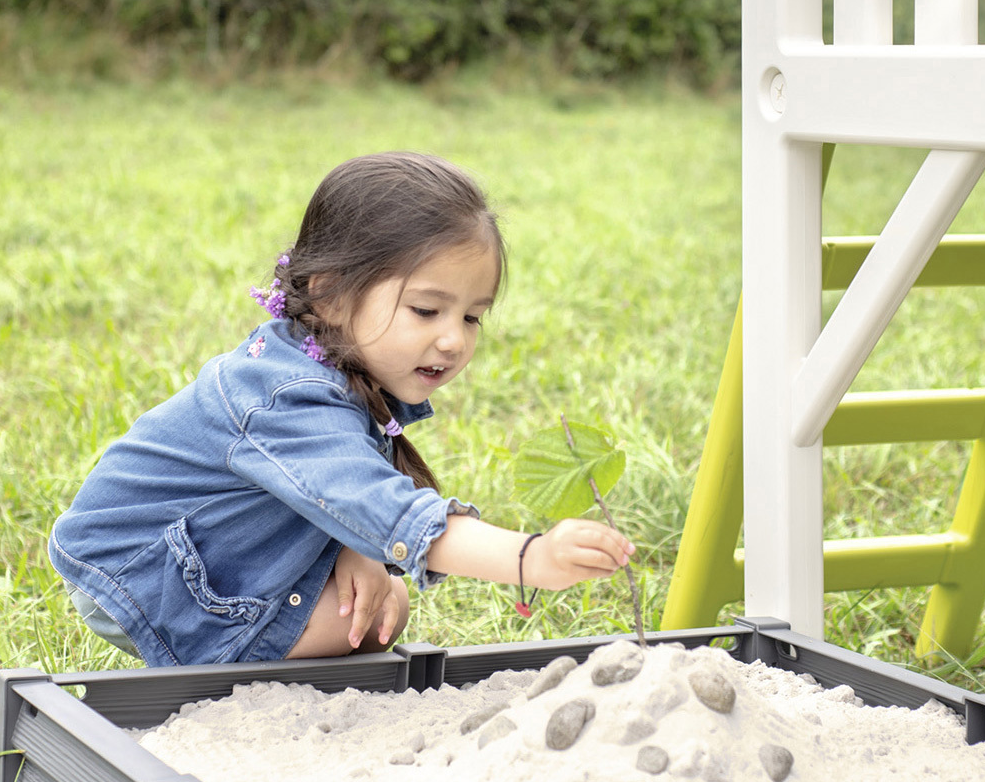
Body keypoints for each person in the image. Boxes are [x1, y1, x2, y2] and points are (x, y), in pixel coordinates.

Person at [48, 151, 635, 667]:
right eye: (427, 311)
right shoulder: (288, 395)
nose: (454, 339)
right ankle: (223, 662)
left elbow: (341, 481)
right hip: (141, 570)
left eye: (472, 316)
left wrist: (352, 545)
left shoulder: (332, 358)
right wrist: (534, 557)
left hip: (211, 543)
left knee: (383, 605)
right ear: (330, 295)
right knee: (368, 621)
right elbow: (385, 506)